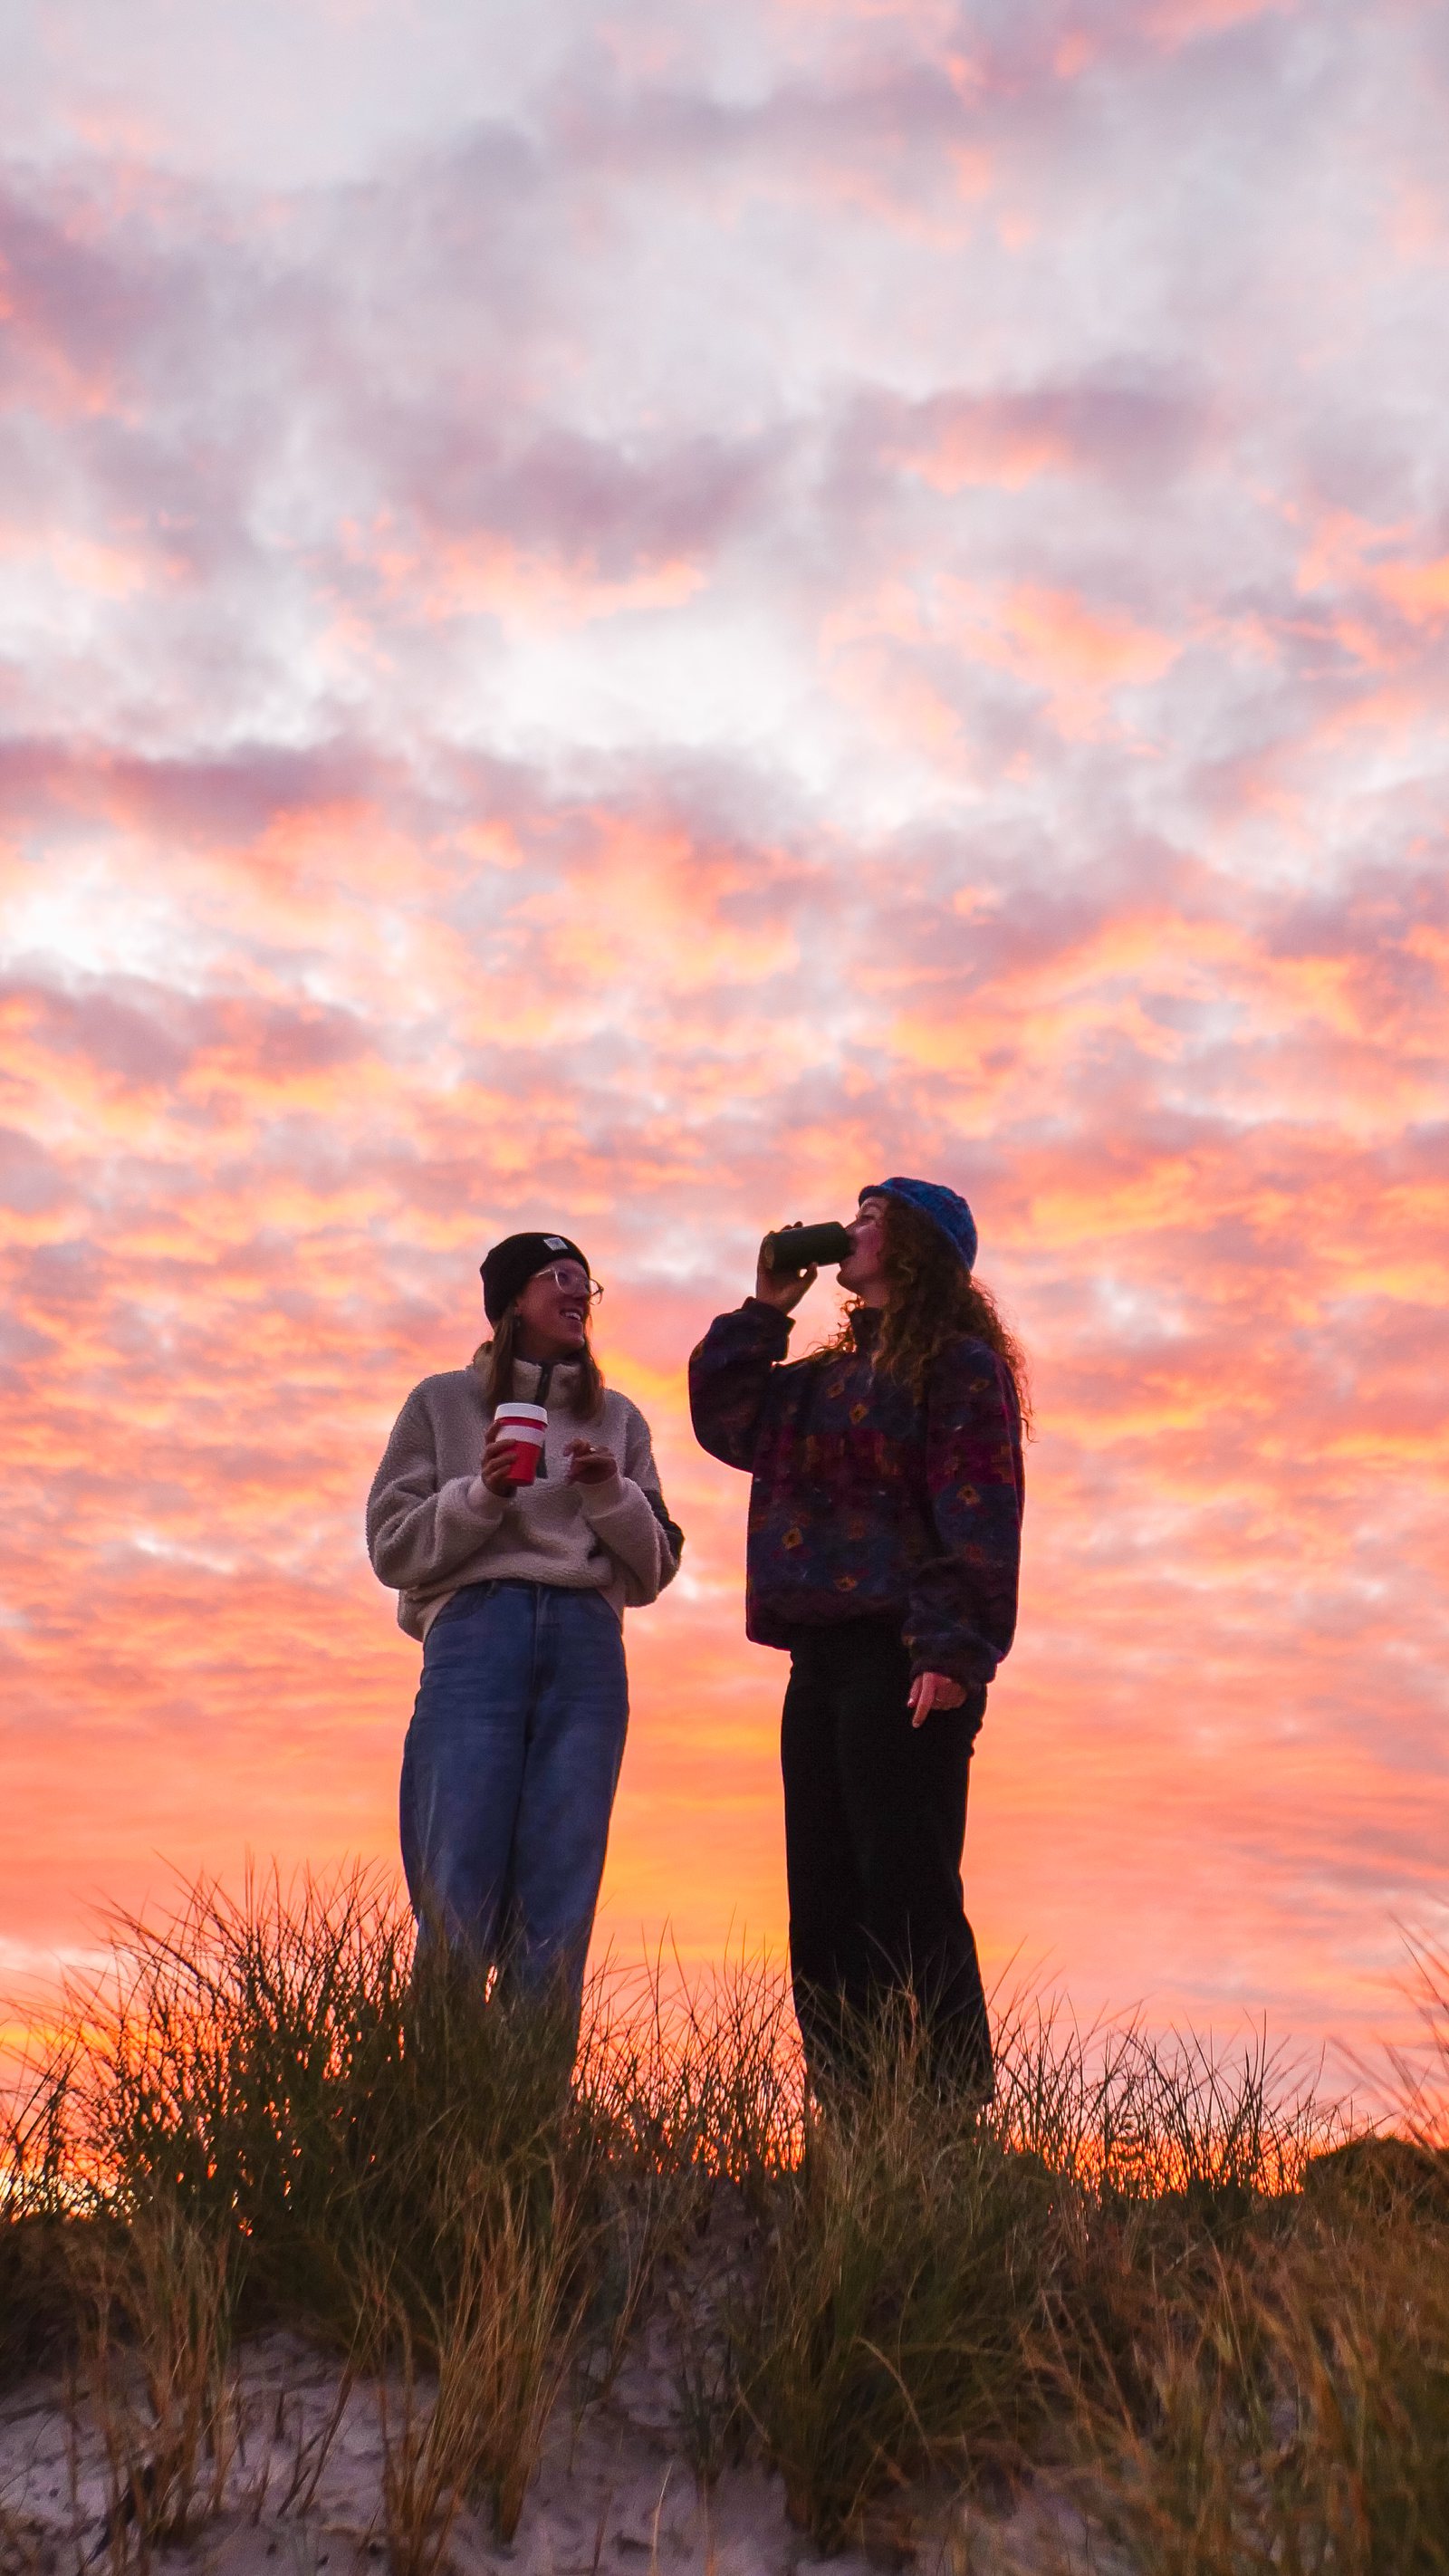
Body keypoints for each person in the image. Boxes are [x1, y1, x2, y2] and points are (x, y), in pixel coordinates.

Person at [688, 1179, 1026, 2094]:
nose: (854, 1226)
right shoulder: (820, 1384)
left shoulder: (958, 1367)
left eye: (874, 1217)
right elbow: (725, 1418)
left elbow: (980, 1508)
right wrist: (763, 1309)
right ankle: (852, 2116)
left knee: (906, 1891)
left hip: (909, 1657)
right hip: (820, 1663)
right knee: (825, 1901)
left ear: (918, 1248)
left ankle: (948, 2117)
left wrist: (953, 1653)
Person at [368, 1231, 682, 2037]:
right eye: (560, 1277)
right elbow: (392, 1547)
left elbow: (655, 1568)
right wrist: (483, 1492)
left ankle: (532, 2134)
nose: (578, 1292)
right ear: (513, 1298)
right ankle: (440, 2128)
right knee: (456, 1891)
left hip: (586, 1646)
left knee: (558, 1902)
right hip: (476, 1636)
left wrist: (613, 1495)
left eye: (587, 1281)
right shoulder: (439, 1403)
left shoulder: (619, 1419)